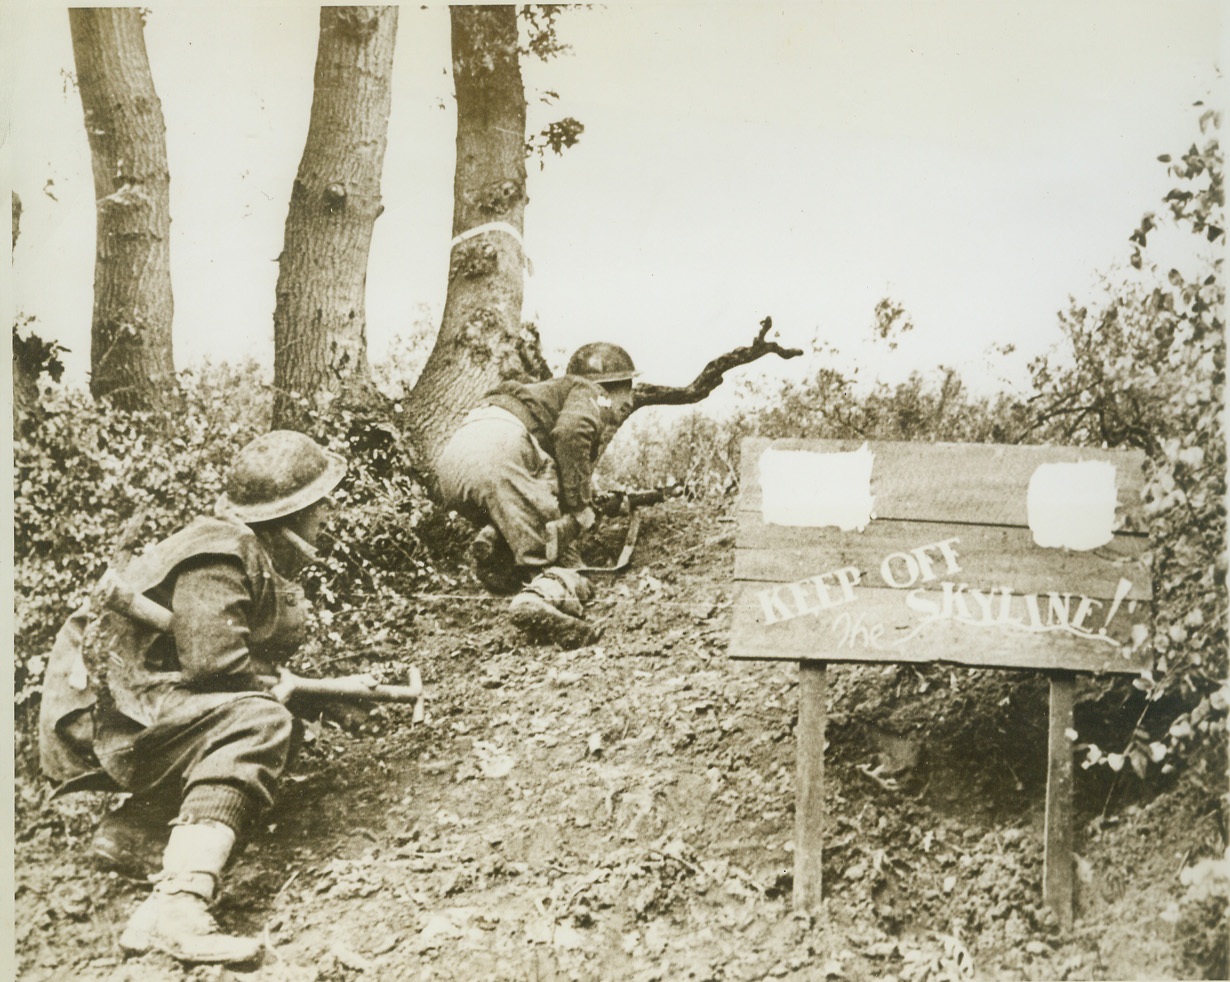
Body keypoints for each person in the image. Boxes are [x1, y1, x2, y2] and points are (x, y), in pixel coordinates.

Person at [38, 430, 346, 965]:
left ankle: (136, 834)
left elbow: (218, 660)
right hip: (112, 708)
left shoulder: (238, 547)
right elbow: (215, 665)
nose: (328, 513)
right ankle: (179, 906)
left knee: (263, 716)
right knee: (258, 723)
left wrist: (318, 694)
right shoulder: (222, 551)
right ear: (288, 516)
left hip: (132, 697)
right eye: (320, 503)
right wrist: (289, 695)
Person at [436, 342, 637, 645]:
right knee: (559, 559)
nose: (630, 400)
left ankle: (497, 544)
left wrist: (589, 497)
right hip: (502, 454)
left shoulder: (547, 397)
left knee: (525, 517)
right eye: (628, 390)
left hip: (456, 459)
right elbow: (572, 433)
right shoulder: (591, 391)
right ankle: (539, 598)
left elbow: (554, 467)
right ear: (611, 387)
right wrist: (582, 507)